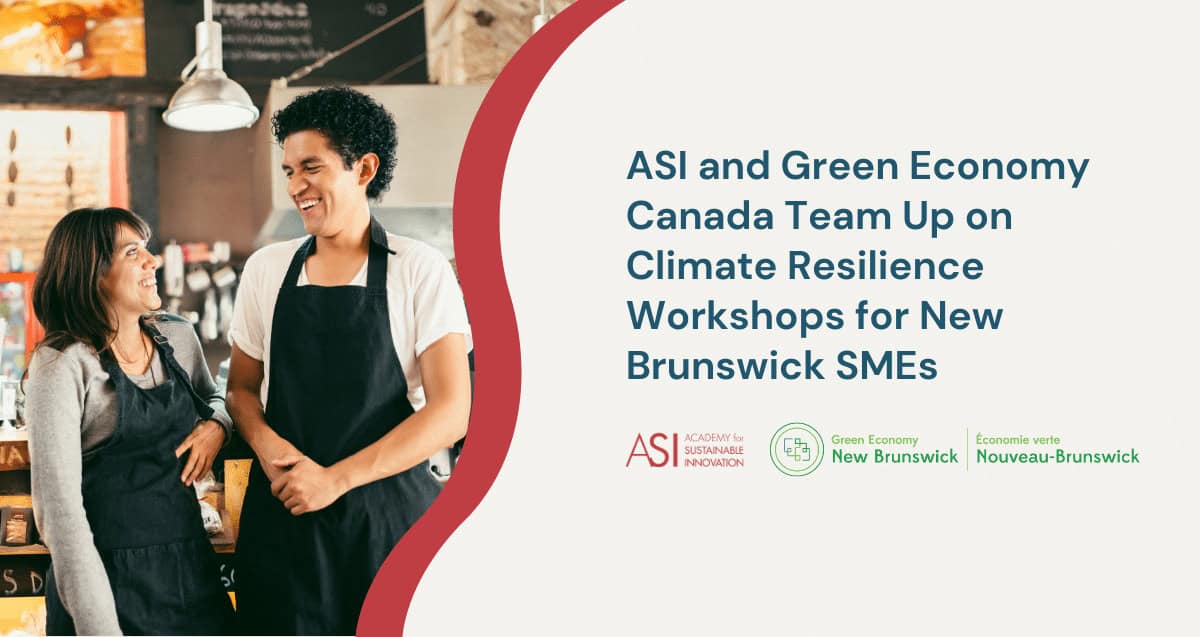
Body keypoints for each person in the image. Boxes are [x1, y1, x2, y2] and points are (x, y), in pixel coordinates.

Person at [228, 86, 472, 634]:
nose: (296, 187)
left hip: (388, 530)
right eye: (289, 170)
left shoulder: (418, 267)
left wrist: (334, 480)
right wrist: (270, 451)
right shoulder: (267, 270)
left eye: (310, 167)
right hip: (287, 522)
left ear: (363, 168)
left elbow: (453, 410)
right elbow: (242, 389)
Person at [25, 207, 236, 635]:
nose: (152, 261)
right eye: (133, 252)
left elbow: (220, 396)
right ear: (94, 272)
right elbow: (61, 519)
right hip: (104, 585)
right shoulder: (61, 364)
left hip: (189, 571)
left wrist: (218, 424)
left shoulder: (176, 336)